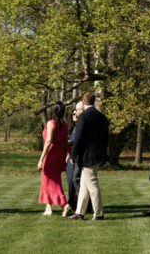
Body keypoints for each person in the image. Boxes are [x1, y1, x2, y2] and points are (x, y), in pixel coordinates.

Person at [67, 92, 109, 221]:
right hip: (98, 155)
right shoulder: (102, 117)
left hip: (87, 156)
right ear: (94, 101)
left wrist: (73, 156)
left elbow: (78, 138)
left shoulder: (83, 116)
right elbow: (106, 138)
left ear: (83, 102)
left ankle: (99, 213)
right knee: (84, 185)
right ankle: (79, 212)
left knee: (92, 184)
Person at [38, 101, 70, 216]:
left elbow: (48, 141)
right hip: (60, 154)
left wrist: (41, 158)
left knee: (52, 181)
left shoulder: (51, 123)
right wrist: (67, 155)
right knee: (49, 180)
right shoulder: (65, 124)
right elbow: (66, 142)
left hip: (51, 154)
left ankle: (64, 204)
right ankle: (48, 208)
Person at [66, 103, 84, 211]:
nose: (75, 116)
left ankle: (80, 204)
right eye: (73, 114)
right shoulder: (72, 129)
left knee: (77, 181)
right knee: (70, 182)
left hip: (77, 158)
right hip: (70, 159)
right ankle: (72, 203)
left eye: (76, 113)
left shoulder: (81, 127)